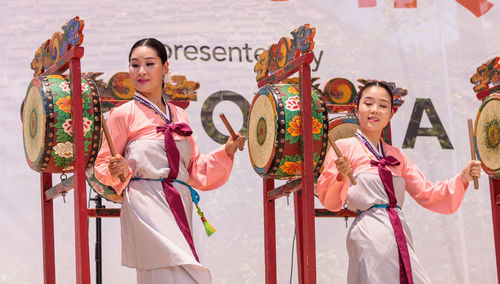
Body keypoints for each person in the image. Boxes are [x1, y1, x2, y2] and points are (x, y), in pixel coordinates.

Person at [94, 38, 245, 284]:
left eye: (149, 64)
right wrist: (119, 170)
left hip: (179, 201)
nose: (141, 71)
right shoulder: (123, 114)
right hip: (145, 202)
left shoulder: (179, 114)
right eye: (134, 65)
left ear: (165, 68)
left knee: (185, 273)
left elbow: (193, 169)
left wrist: (226, 150)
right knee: (166, 273)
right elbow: (102, 163)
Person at [317, 81, 482, 284]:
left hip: (398, 231)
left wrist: (462, 178)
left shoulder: (397, 156)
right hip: (369, 232)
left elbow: (428, 193)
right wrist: (341, 176)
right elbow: (330, 201)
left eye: (383, 105)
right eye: (368, 103)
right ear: (356, 109)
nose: (374, 110)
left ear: (391, 114)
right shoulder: (344, 147)